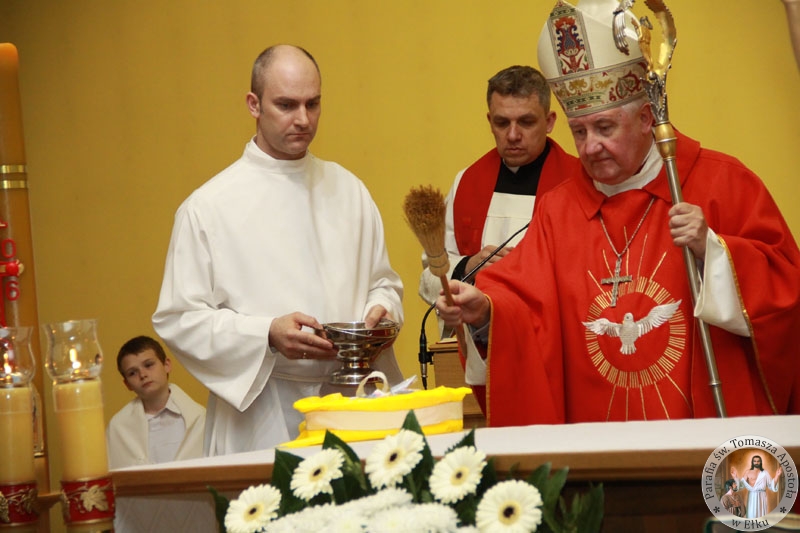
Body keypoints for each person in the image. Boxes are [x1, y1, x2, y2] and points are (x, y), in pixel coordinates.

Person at [434, 0, 800, 426]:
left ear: (646, 118)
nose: (590, 146)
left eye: (605, 128)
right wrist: (484, 312)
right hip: (593, 446)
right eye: (579, 131)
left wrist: (713, 251)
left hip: (701, 440)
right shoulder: (558, 210)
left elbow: (786, 295)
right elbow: (524, 309)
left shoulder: (721, 183)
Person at [152, 44, 404, 455]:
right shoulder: (209, 207)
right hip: (261, 411)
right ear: (254, 104)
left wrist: (383, 311)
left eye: (313, 104)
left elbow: (383, 282)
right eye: (286, 105)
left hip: (350, 400)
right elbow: (179, 319)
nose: (303, 119)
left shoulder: (349, 190)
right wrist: (266, 333)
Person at [417, 65, 578, 304]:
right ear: (490, 122)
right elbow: (433, 272)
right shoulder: (466, 183)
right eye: (502, 123)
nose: (512, 135)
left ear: (549, 122)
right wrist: (468, 266)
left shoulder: (580, 183)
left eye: (526, 122)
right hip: (479, 323)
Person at [106, 336, 205, 469]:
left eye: (148, 365)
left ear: (166, 365)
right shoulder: (118, 428)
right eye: (132, 373)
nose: (143, 375)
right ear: (127, 384)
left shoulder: (200, 419)